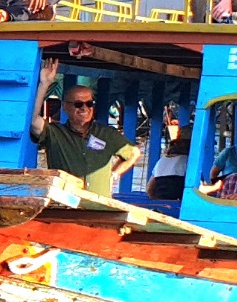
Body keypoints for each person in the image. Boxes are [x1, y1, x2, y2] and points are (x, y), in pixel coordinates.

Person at [32, 63, 141, 196]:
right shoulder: (55, 134)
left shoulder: (107, 134)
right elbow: (33, 121)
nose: (85, 108)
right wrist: (44, 84)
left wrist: (114, 175)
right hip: (66, 208)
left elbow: (134, 153)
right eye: (78, 104)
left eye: (89, 104)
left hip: (99, 209)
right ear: (65, 107)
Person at [147, 105, 190, 201]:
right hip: (176, 203)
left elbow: (150, 189)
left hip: (159, 200)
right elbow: (198, 189)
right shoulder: (188, 161)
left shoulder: (162, 160)